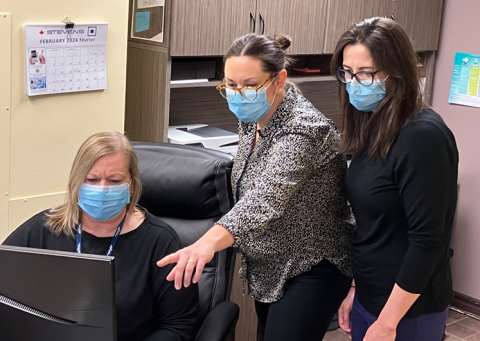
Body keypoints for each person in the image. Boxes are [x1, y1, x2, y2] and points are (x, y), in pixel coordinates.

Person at [157, 33, 354, 341]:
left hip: (312, 264)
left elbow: (264, 199)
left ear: (280, 80)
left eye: (250, 85)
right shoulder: (255, 117)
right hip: (268, 262)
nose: (239, 95)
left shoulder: (304, 131)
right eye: (231, 85)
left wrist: (205, 244)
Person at [331, 18, 458, 341]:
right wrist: (356, 290)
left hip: (406, 309)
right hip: (370, 294)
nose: (353, 82)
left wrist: (388, 322)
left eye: (365, 73)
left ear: (396, 73)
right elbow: (374, 224)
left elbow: (428, 241)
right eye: (347, 72)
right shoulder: (372, 124)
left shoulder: (422, 137)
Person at [3, 132, 199, 341]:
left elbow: (179, 326)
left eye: (114, 180)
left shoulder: (159, 241)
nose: (102, 189)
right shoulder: (43, 229)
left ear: (131, 185)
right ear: (76, 182)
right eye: (92, 180)